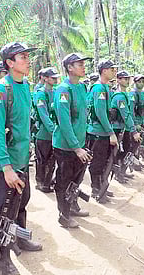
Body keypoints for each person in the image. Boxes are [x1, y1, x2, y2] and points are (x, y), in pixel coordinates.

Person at [0, 42, 42, 275]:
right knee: (3, 210)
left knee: (21, 202)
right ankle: (2, 260)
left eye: (28, 56)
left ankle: (19, 239)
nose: (28, 60)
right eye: (23, 57)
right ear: (9, 62)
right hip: (3, 164)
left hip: (20, 160)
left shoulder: (25, 86)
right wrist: (6, 168)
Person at [53, 53, 93, 228]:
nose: (84, 67)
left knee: (76, 180)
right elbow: (64, 121)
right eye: (80, 64)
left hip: (80, 143)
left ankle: (73, 206)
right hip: (66, 146)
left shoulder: (82, 88)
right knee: (64, 181)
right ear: (70, 68)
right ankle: (64, 215)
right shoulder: (63, 90)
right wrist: (76, 148)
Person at [86, 59, 118, 203]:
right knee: (97, 162)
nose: (114, 72)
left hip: (103, 130)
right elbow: (100, 112)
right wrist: (111, 132)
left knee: (104, 161)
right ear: (104, 71)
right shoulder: (98, 88)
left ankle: (101, 186)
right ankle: (96, 188)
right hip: (98, 131)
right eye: (111, 69)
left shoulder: (105, 87)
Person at [110, 71, 141, 183]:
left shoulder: (125, 95)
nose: (127, 81)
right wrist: (133, 131)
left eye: (128, 79)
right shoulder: (119, 97)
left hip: (123, 128)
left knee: (125, 151)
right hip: (117, 128)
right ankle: (119, 174)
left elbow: (130, 113)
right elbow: (125, 114)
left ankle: (122, 172)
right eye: (124, 78)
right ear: (118, 80)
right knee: (119, 153)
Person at [33, 67, 60, 193]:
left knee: (52, 161)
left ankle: (47, 182)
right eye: (52, 77)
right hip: (43, 133)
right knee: (42, 160)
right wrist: (53, 130)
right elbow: (43, 114)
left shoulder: (55, 93)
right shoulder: (40, 93)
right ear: (45, 78)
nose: (55, 80)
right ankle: (41, 182)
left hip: (54, 132)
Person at [129, 74, 144, 167]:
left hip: (140, 121)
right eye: (139, 82)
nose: (141, 83)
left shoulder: (141, 93)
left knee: (138, 144)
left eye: (142, 82)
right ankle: (133, 164)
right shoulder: (133, 94)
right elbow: (131, 110)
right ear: (135, 83)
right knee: (133, 145)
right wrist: (135, 123)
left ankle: (137, 162)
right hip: (135, 122)